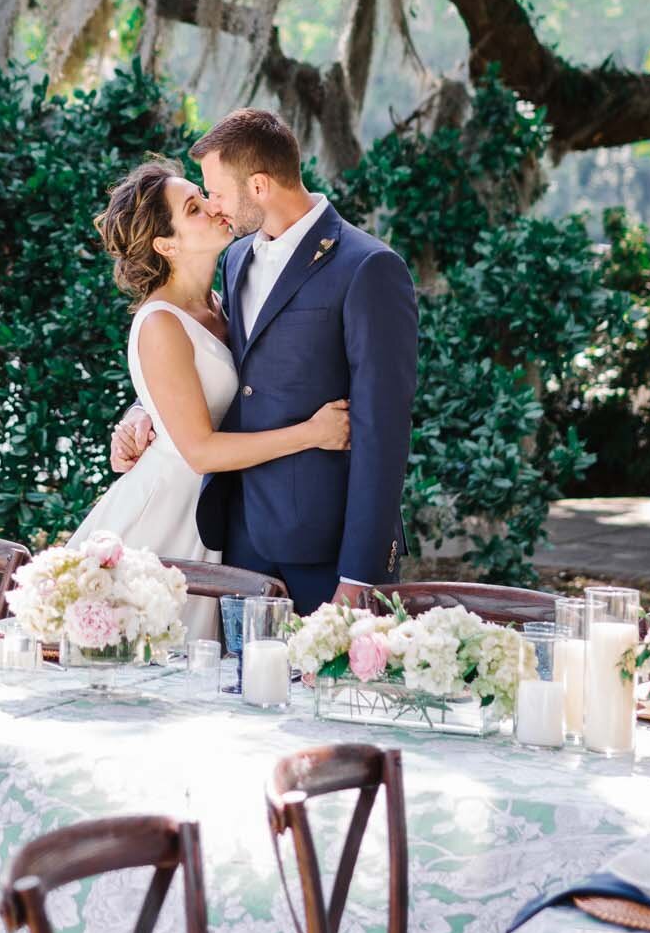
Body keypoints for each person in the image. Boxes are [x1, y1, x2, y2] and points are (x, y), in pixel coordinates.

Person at [110, 109, 416, 613]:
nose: (213, 206)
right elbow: (222, 371)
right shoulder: (235, 261)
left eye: (216, 193)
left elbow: (384, 431)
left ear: (258, 185)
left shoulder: (368, 267)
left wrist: (360, 574)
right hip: (233, 538)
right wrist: (144, 413)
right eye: (200, 199)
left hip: (325, 549)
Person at [69, 160, 351, 615]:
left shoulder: (226, 294)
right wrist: (313, 434)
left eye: (203, 195)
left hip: (224, 512)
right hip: (170, 514)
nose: (214, 208)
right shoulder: (161, 322)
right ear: (166, 244)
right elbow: (199, 451)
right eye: (194, 209)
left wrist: (140, 411)